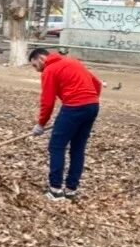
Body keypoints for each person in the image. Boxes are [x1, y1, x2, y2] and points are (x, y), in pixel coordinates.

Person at [30, 47, 102, 201]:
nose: (37, 70)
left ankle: (55, 189)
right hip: (93, 107)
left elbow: (47, 102)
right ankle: (71, 190)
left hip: (74, 107)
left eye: (35, 65)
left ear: (42, 58)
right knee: (78, 147)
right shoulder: (73, 62)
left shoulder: (49, 70)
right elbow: (97, 84)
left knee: (56, 146)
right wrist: (90, 101)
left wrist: (41, 124)